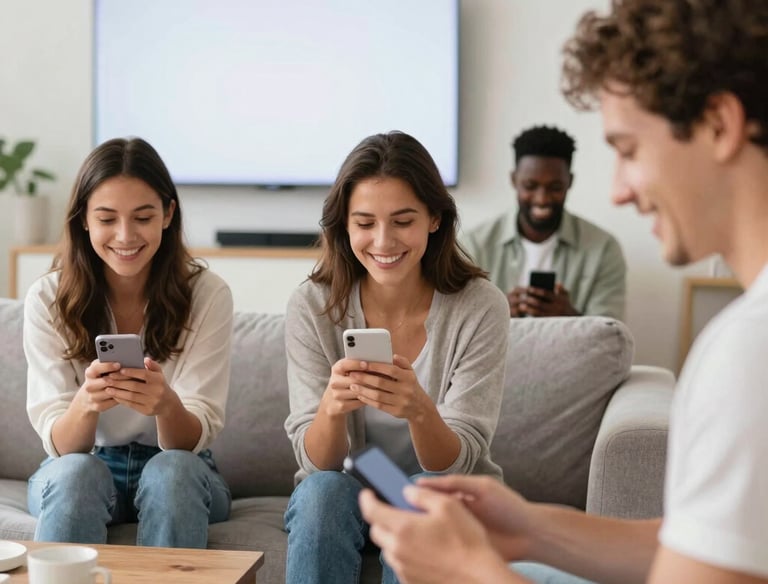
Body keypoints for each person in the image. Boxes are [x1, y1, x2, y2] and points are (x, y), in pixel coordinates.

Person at [360, 1, 768, 583]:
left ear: (720, 126)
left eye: (628, 150)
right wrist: (533, 529)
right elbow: (711, 546)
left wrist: (469, 571)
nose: (620, 190)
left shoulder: (749, 352)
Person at [283, 130, 509, 583]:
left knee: (427, 498)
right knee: (321, 494)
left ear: (434, 219)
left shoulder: (479, 306)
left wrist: (419, 409)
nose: (383, 242)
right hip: (345, 492)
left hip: (440, 493)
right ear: (344, 228)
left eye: (402, 221)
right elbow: (314, 464)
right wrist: (331, 407)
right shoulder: (312, 305)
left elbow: (459, 460)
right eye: (365, 223)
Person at [24, 137, 233, 547]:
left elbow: (189, 441)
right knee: (77, 476)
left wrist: (167, 405)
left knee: (172, 471)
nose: (125, 235)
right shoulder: (48, 298)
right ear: (83, 219)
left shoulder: (207, 294)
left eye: (142, 217)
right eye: (106, 218)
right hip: (84, 461)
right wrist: (86, 402)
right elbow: (62, 447)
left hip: (180, 464)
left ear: (168, 214)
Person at [462, 125, 626, 319]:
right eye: (530, 186)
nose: (542, 199)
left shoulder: (603, 249)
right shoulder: (473, 245)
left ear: (569, 182)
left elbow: (610, 339)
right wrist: (495, 314)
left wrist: (570, 316)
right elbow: (452, 329)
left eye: (555, 187)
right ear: (514, 180)